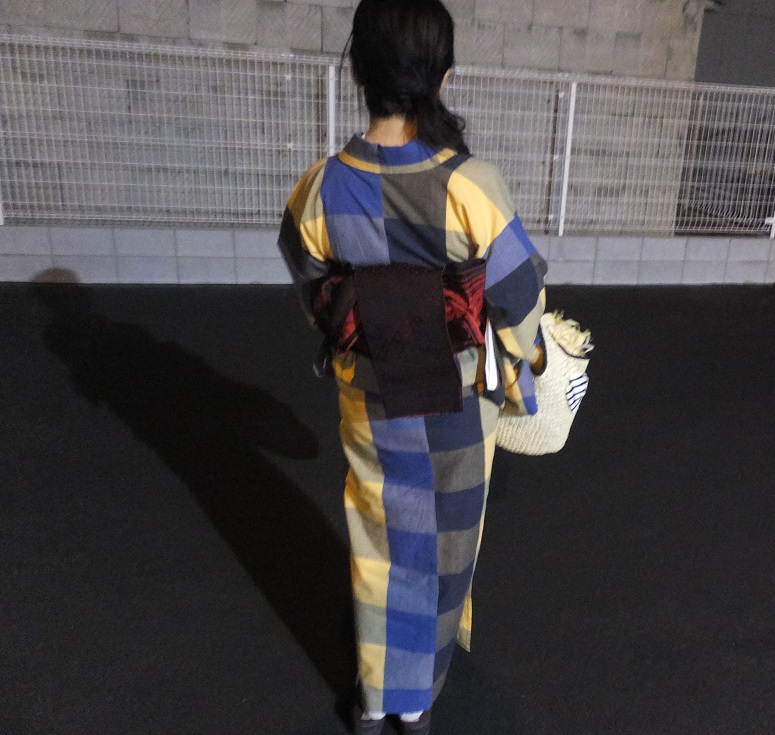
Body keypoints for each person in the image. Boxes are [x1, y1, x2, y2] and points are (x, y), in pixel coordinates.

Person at [278, 1, 547, 732]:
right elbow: (518, 294)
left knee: (381, 542)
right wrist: (520, 368)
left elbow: (312, 284)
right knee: (447, 546)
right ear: (443, 77)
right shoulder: (470, 185)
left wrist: (350, 332)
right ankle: (416, 696)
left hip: (370, 400)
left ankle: (377, 697)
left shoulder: (322, 186)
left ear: (356, 70)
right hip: (457, 402)